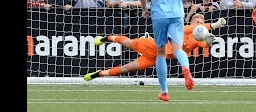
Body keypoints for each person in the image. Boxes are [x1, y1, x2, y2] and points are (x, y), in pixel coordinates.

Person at [84, 14, 226, 84]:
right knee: (127, 42)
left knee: (127, 69)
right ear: (192, 22)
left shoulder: (197, 40)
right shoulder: (182, 28)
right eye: (198, 22)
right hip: (151, 45)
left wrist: (209, 39)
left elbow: (205, 44)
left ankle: (99, 74)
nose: (200, 25)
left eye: (202, 23)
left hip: (156, 57)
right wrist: (213, 25)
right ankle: (107, 38)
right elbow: (191, 28)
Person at [139, 0, 195, 101]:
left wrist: (144, 8)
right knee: (178, 49)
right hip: (177, 13)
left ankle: (164, 92)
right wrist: (179, 2)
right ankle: (185, 68)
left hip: (159, 14)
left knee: (161, 52)